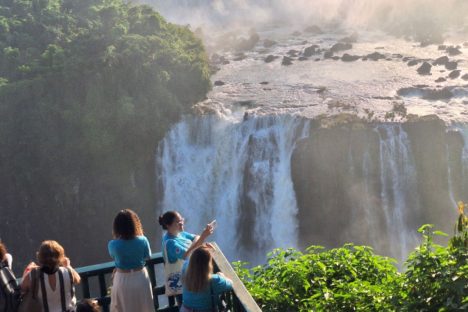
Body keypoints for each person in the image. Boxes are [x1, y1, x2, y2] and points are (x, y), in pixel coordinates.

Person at [158, 211, 214, 304]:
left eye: (182, 220)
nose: (181, 223)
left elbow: (197, 237)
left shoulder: (180, 234)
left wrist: (200, 240)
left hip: (189, 278)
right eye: (178, 222)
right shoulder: (170, 242)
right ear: (168, 225)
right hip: (180, 282)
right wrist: (202, 239)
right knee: (185, 305)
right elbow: (186, 255)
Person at [108, 209, 155, 312]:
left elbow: (114, 256)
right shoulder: (143, 240)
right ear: (135, 224)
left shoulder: (113, 244)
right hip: (140, 277)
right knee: (144, 306)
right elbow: (148, 256)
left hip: (122, 279)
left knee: (123, 307)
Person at [20, 240, 81, 312]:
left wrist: (26, 272)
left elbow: (22, 289)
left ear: (40, 256)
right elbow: (78, 279)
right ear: (60, 256)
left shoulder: (33, 274)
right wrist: (68, 265)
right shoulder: (68, 272)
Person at [181, 245, 232, 312]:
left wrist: (200, 248)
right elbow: (230, 284)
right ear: (208, 265)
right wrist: (221, 275)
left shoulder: (185, 269)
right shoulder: (213, 280)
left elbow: (190, 258)